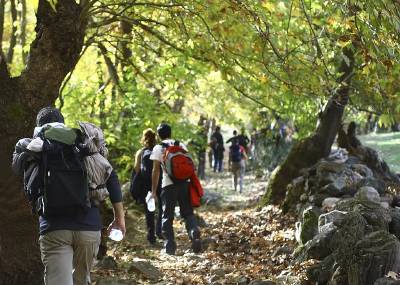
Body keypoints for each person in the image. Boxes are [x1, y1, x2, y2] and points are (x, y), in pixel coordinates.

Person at [11, 107, 126, 285]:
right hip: (89, 226)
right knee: (81, 281)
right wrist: (119, 218)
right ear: (63, 124)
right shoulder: (82, 146)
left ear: (39, 126)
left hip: (54, 228)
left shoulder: (35, 145)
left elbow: (16, 168)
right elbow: (110, 176)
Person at [147, 123, 201, 255]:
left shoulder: (158, 148)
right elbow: (191, 164)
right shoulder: (180, 144)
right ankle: (193, 231)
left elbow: (156, 171)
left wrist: (154, 192)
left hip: (168, 185)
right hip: (185, 183)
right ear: (170, 134)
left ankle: (169, 246)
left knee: (167, 215)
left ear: (159, 136)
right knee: (188, 212)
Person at [131, 128, 163, 244]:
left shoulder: (141, 152)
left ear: (144, 139)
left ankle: (151, 235)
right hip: (159, 181)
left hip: (146, 183)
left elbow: (136, 168)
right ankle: (160, 229)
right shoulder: (158, 150)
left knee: (149, 209)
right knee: (162, 205)